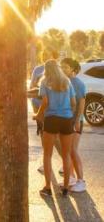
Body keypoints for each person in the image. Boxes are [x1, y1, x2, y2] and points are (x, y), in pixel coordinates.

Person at [34, 60, 76, 197]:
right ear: (58, 68)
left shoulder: (44, 82)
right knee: (66, 154)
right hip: (66, 119)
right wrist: (70, 115)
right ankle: (65, 187)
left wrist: (38, 115)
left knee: (47, 155)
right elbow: (74, 102)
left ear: (46, 69)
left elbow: (45, 102)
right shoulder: (67, 81)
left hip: (51, 119)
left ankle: (47, 187)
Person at [30, 49, 59, 173]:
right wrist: (39, 88)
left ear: (53, 56)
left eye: (47, 54)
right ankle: (46, 163)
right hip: (37, 105)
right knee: (43, 134)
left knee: (55, 136)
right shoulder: (37, 69)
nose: (45, 56)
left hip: (51, 108)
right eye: (43, 54)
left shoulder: (59, 69)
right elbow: (31, 87)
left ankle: (65, 162)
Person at [61, 58, 87, 192]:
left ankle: (81, 181)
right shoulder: (65, 82)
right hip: (66, 120)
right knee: (67, 151)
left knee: (73, 150)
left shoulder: (79, 84)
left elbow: (81, 104)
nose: (63, 69)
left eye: (66, 67)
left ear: (73, 69)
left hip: (77, 121)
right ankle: (70, 177)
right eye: (62, 67)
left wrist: (77, 120)